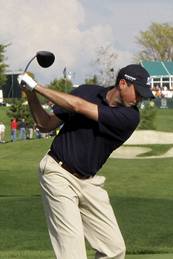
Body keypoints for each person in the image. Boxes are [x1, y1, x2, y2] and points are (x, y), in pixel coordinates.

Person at [18, 64, 154, 259]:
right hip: (58, 173)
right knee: (72, 253)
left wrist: (36, 86)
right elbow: (45, 124)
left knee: (114, 250)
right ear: (123, 83)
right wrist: (29, 93)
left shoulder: (130, 117)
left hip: (89, 182)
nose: (141, 98)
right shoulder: (87, 91)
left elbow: (77, 106)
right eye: (139, 92)